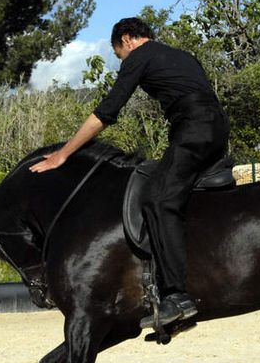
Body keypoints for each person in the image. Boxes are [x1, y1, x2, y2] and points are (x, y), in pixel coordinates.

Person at [30, 17, 230, 330]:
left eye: (119, 54)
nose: (123, 60)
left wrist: (62, 154)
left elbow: (107, 112)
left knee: (158, 198)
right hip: (216, 128)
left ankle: (177, 296)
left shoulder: (139, 55)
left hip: (193, 129)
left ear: (127, 40)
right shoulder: (180, 55)